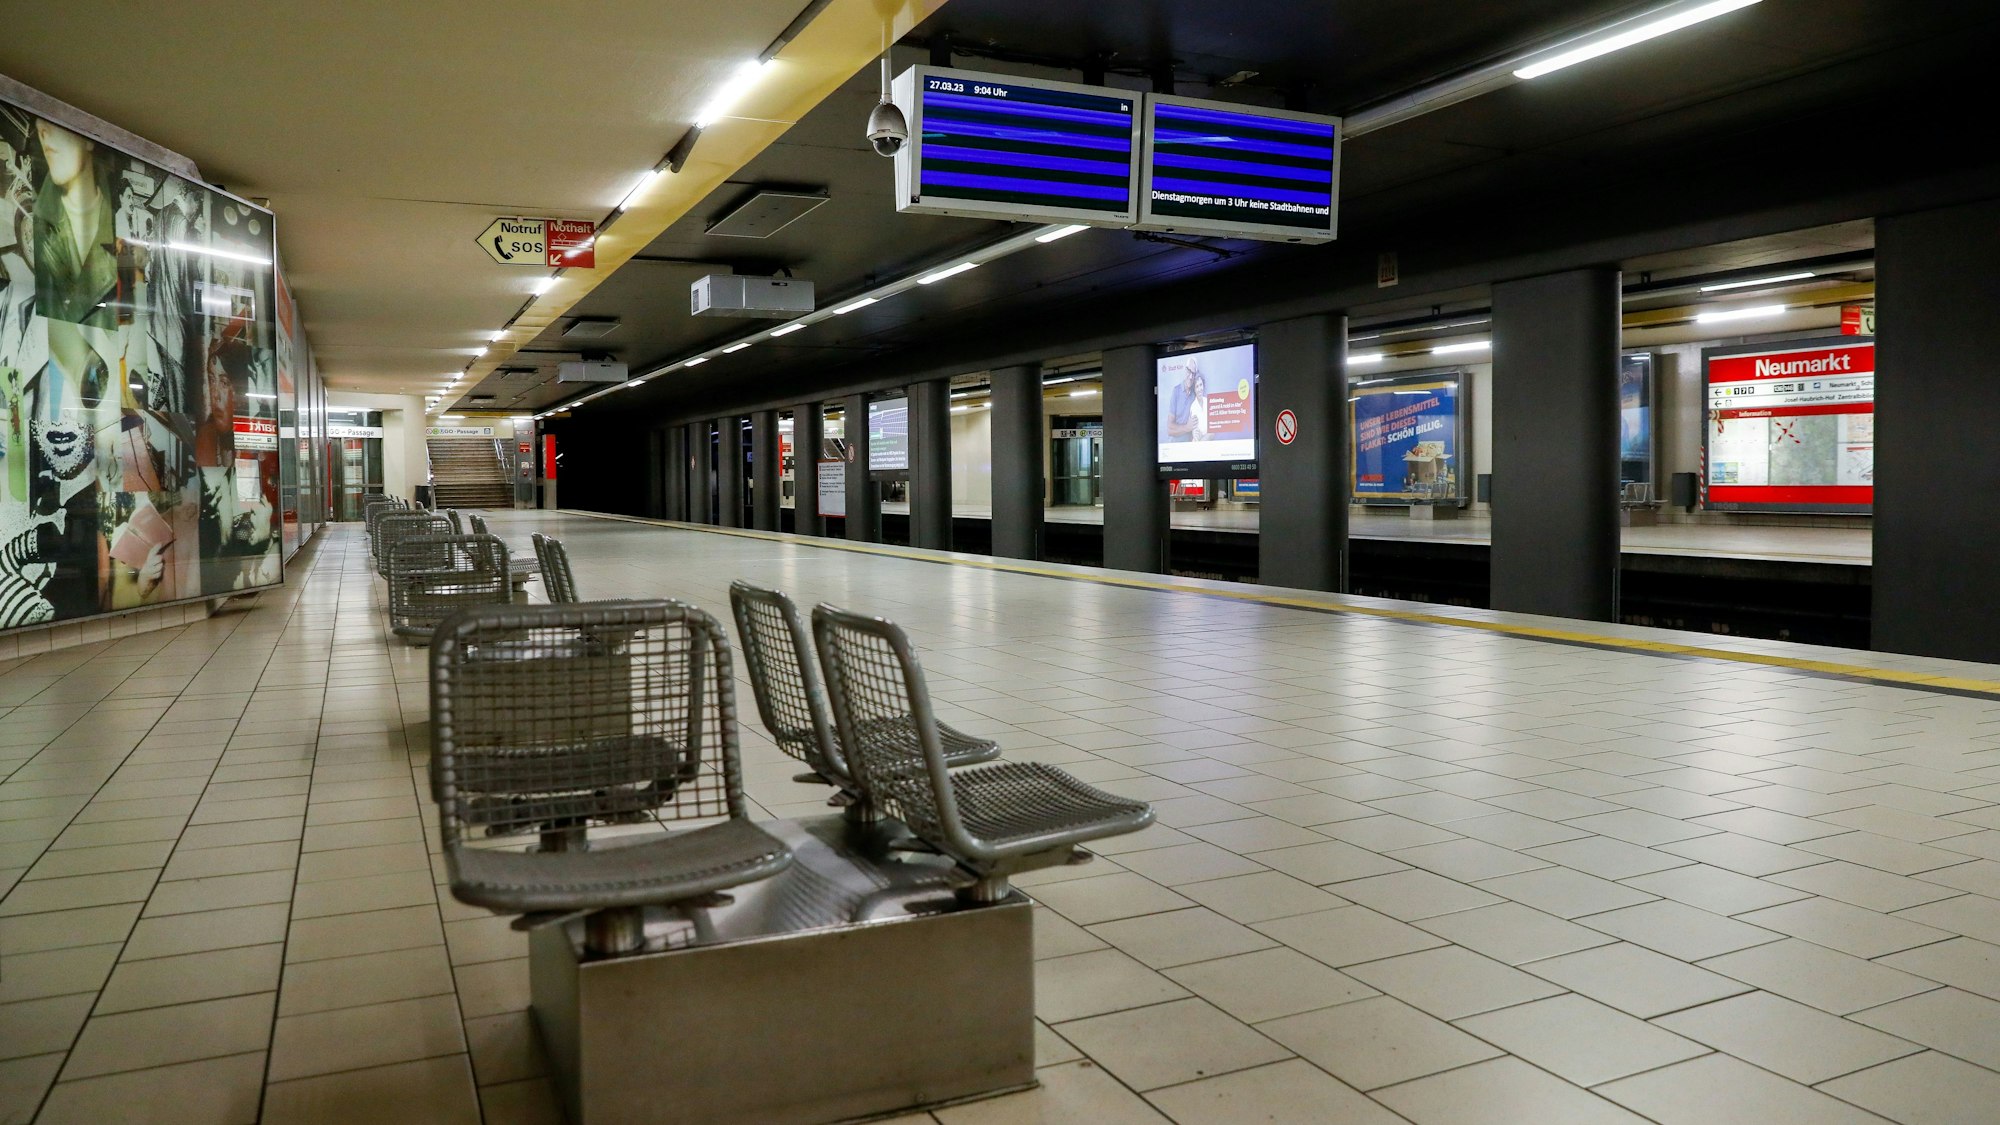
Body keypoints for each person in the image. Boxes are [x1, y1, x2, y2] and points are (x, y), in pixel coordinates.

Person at [1165, 361, 1204, 442]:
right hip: (1173, 445)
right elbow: (1169, 430)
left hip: (1188, 446)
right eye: (1189, 371)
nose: (1190, 377)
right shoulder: (1176, 391)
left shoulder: (1195, 394)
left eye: (1193, 373)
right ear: (1185, 370)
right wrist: (1187, 428)